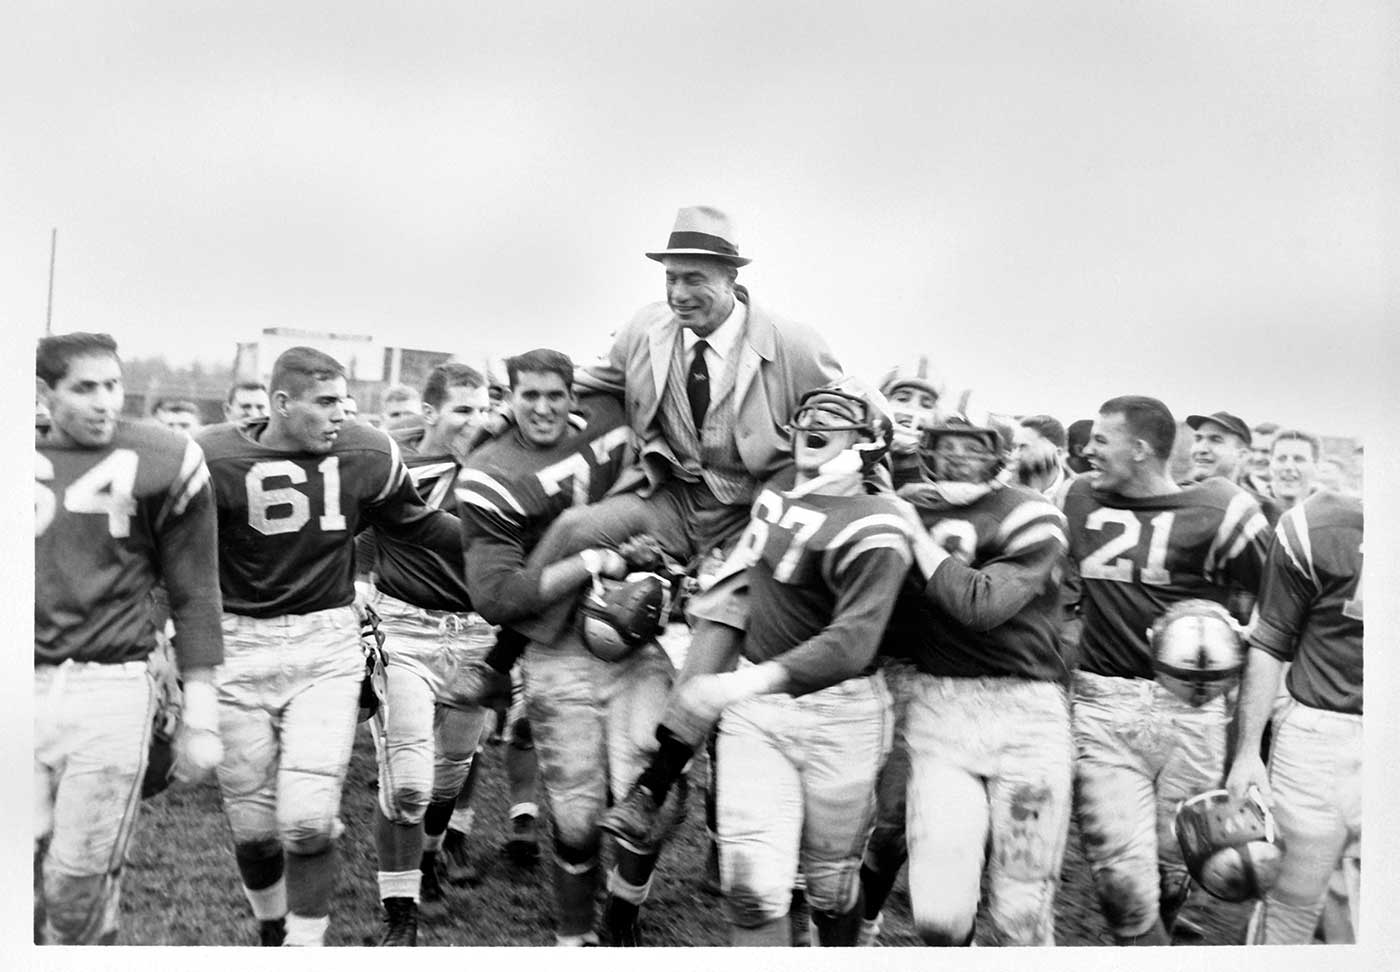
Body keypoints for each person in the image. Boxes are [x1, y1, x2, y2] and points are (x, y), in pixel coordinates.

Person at [197, 346, 461, 947]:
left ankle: (305, 946)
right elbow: (175, 558)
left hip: (326, 642)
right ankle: (271, 927)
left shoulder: (366, 451)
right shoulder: (212, 457)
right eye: (324, 402)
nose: (341, 413)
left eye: (344, 399)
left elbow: (413, 521)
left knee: (310, 821)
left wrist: (495, 544)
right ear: (281, 403)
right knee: (255, 829)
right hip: (238, 645)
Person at [674, 380, 908, 947]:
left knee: (830, 889)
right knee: (751, 891)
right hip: (758, 713)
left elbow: (851, 642)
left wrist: (736, 685)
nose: (813, 427)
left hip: (842, 713)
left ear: (869, 443)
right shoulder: (780, 488)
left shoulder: (880, 521)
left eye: (835, 420)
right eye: (810, 416)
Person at [458, 348, 667, 946]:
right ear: (509, 397)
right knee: (576, 819)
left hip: (633, 638)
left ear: (575, 394)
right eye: (529, 397)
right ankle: (573, 941)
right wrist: (593, 560)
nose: (544, 408)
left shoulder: (611, 413)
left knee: (651, 797)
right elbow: (498, 596)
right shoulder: (490, 471)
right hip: (556, 650)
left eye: (556, 395)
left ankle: (623, 910)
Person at [1060, 395, 1272, 945]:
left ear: (1140, 450)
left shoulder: (1225, 509)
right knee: (1119, 879)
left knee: (1175, 862)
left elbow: (1273, 620)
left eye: (1101, 441)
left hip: (1193, 709)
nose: (1087, 450)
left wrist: (1229, 637)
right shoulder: (1076, 496)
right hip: (1104, 704)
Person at [35, 332, 225, 944]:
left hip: (110, 686)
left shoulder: (164, 456)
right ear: (44, 392)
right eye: (83, 388)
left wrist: (200, 713)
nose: (104, 402)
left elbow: (196, 592)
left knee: (75, 885)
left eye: (111, 385)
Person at [861, 411, 1073, 946]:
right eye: (945, 446)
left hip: (1026, 713)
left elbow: (981, 604)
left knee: (1022, 911)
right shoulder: (905, 502)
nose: (956, 458)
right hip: (940, 708)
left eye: (971, 447)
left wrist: (911, 528)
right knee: (939, 916)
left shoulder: (1031, 512)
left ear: (1000, 456)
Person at [354, 363, 505, 944]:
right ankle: (401, 913)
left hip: (476, 633)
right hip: (406, 630)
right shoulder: (399, 466)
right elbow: (367, 530)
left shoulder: (503, 471)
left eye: (483, 407)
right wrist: (363, 584)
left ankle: (431, 856)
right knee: (409, 777)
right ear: (431, 412)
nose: (475, 419)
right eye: (462, 409)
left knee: (451, 773)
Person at [1224, 489, 1362, 944]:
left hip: (1323, 738)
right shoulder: (1318, 524)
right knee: (1290, 904)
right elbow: (1271, 640)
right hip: (1319, 737)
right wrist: (1247, 753)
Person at [878, 359, 942, 488]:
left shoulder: (937, 484)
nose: (913, 408)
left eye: (927, 405)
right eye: (902, 398)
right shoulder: (846, 461)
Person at [1011, 413, 1073, 495]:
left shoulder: (1074, 490)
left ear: (1057, 453)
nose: (1014, 456)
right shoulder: (1007, 486)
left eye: (1023, 446)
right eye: (1014, 447)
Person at [1269, 429, 1320, 512]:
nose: (1288, 466)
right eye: (1281, 459)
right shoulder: (1250, 512)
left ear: (1316, 466)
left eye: (1299, 459)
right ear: (1270, 464)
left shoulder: (1329, 516)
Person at [1245, 421, 1279, 497]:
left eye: (1265, 451)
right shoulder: (1236, 490)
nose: (1257, 458)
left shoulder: (1296, 490)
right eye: (1252, 450)